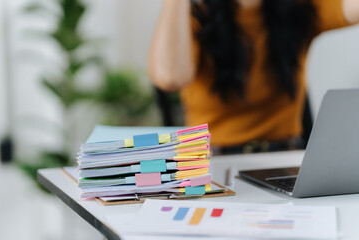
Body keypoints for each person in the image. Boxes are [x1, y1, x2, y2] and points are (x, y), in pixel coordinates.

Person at [148, 0, 359, 154]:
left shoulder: (301, 8)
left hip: (284, 159)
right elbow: (170, 77)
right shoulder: (196, 18)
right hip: (214, 161)